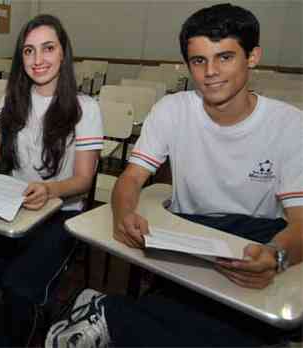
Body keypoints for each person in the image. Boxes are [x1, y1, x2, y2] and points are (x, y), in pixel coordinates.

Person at [49, 3, 303, 347]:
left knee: (257, 326)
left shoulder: (288, 124)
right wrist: (123, 213)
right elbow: (131, 177)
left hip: (254, 240)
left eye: (225, 57)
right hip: (189, 237)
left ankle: (110, 315)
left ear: (252, 57)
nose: (210, 71)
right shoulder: (172, 110)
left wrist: (277, 256)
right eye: (199, 61)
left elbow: (300, 220)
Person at [0, 14, 103, 347]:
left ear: (63, 52)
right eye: (28, 51)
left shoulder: (85, 108)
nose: (38, 60)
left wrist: (50, 189)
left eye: (47, 48)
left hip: (59, 213)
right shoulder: (13, 99)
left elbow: (84, 180)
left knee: (20, 287)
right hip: (12, 206)